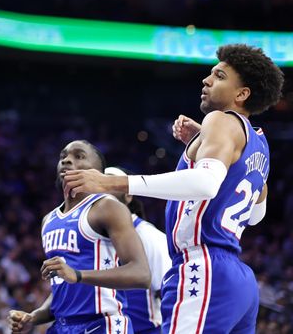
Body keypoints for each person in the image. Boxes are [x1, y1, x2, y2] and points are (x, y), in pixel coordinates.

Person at [62, 44, 284, 334]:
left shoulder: (220, 120)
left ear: (242, 94)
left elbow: (206, 184)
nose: (206, 80)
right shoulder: (259, 144)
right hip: (239, 282)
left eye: (219, 76)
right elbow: (255, 215)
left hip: (202, 269)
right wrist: (202, 146)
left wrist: (110, 182)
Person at [8, 140, 150, 334]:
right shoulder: (48, 220)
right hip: (61, 326)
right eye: (63, 156)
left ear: (96, 172)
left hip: (103, 324)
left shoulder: (108, 207)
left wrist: (79, 275)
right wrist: (34, 316)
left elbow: (141, 274)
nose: (67, 160)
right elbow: (63, 286)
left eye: (79, 156)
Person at [104, 167, 171, 334]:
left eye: (111, 184)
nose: (103, 189)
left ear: (128, 195)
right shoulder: (91, 236)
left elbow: (172, 293)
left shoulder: (149, 236)